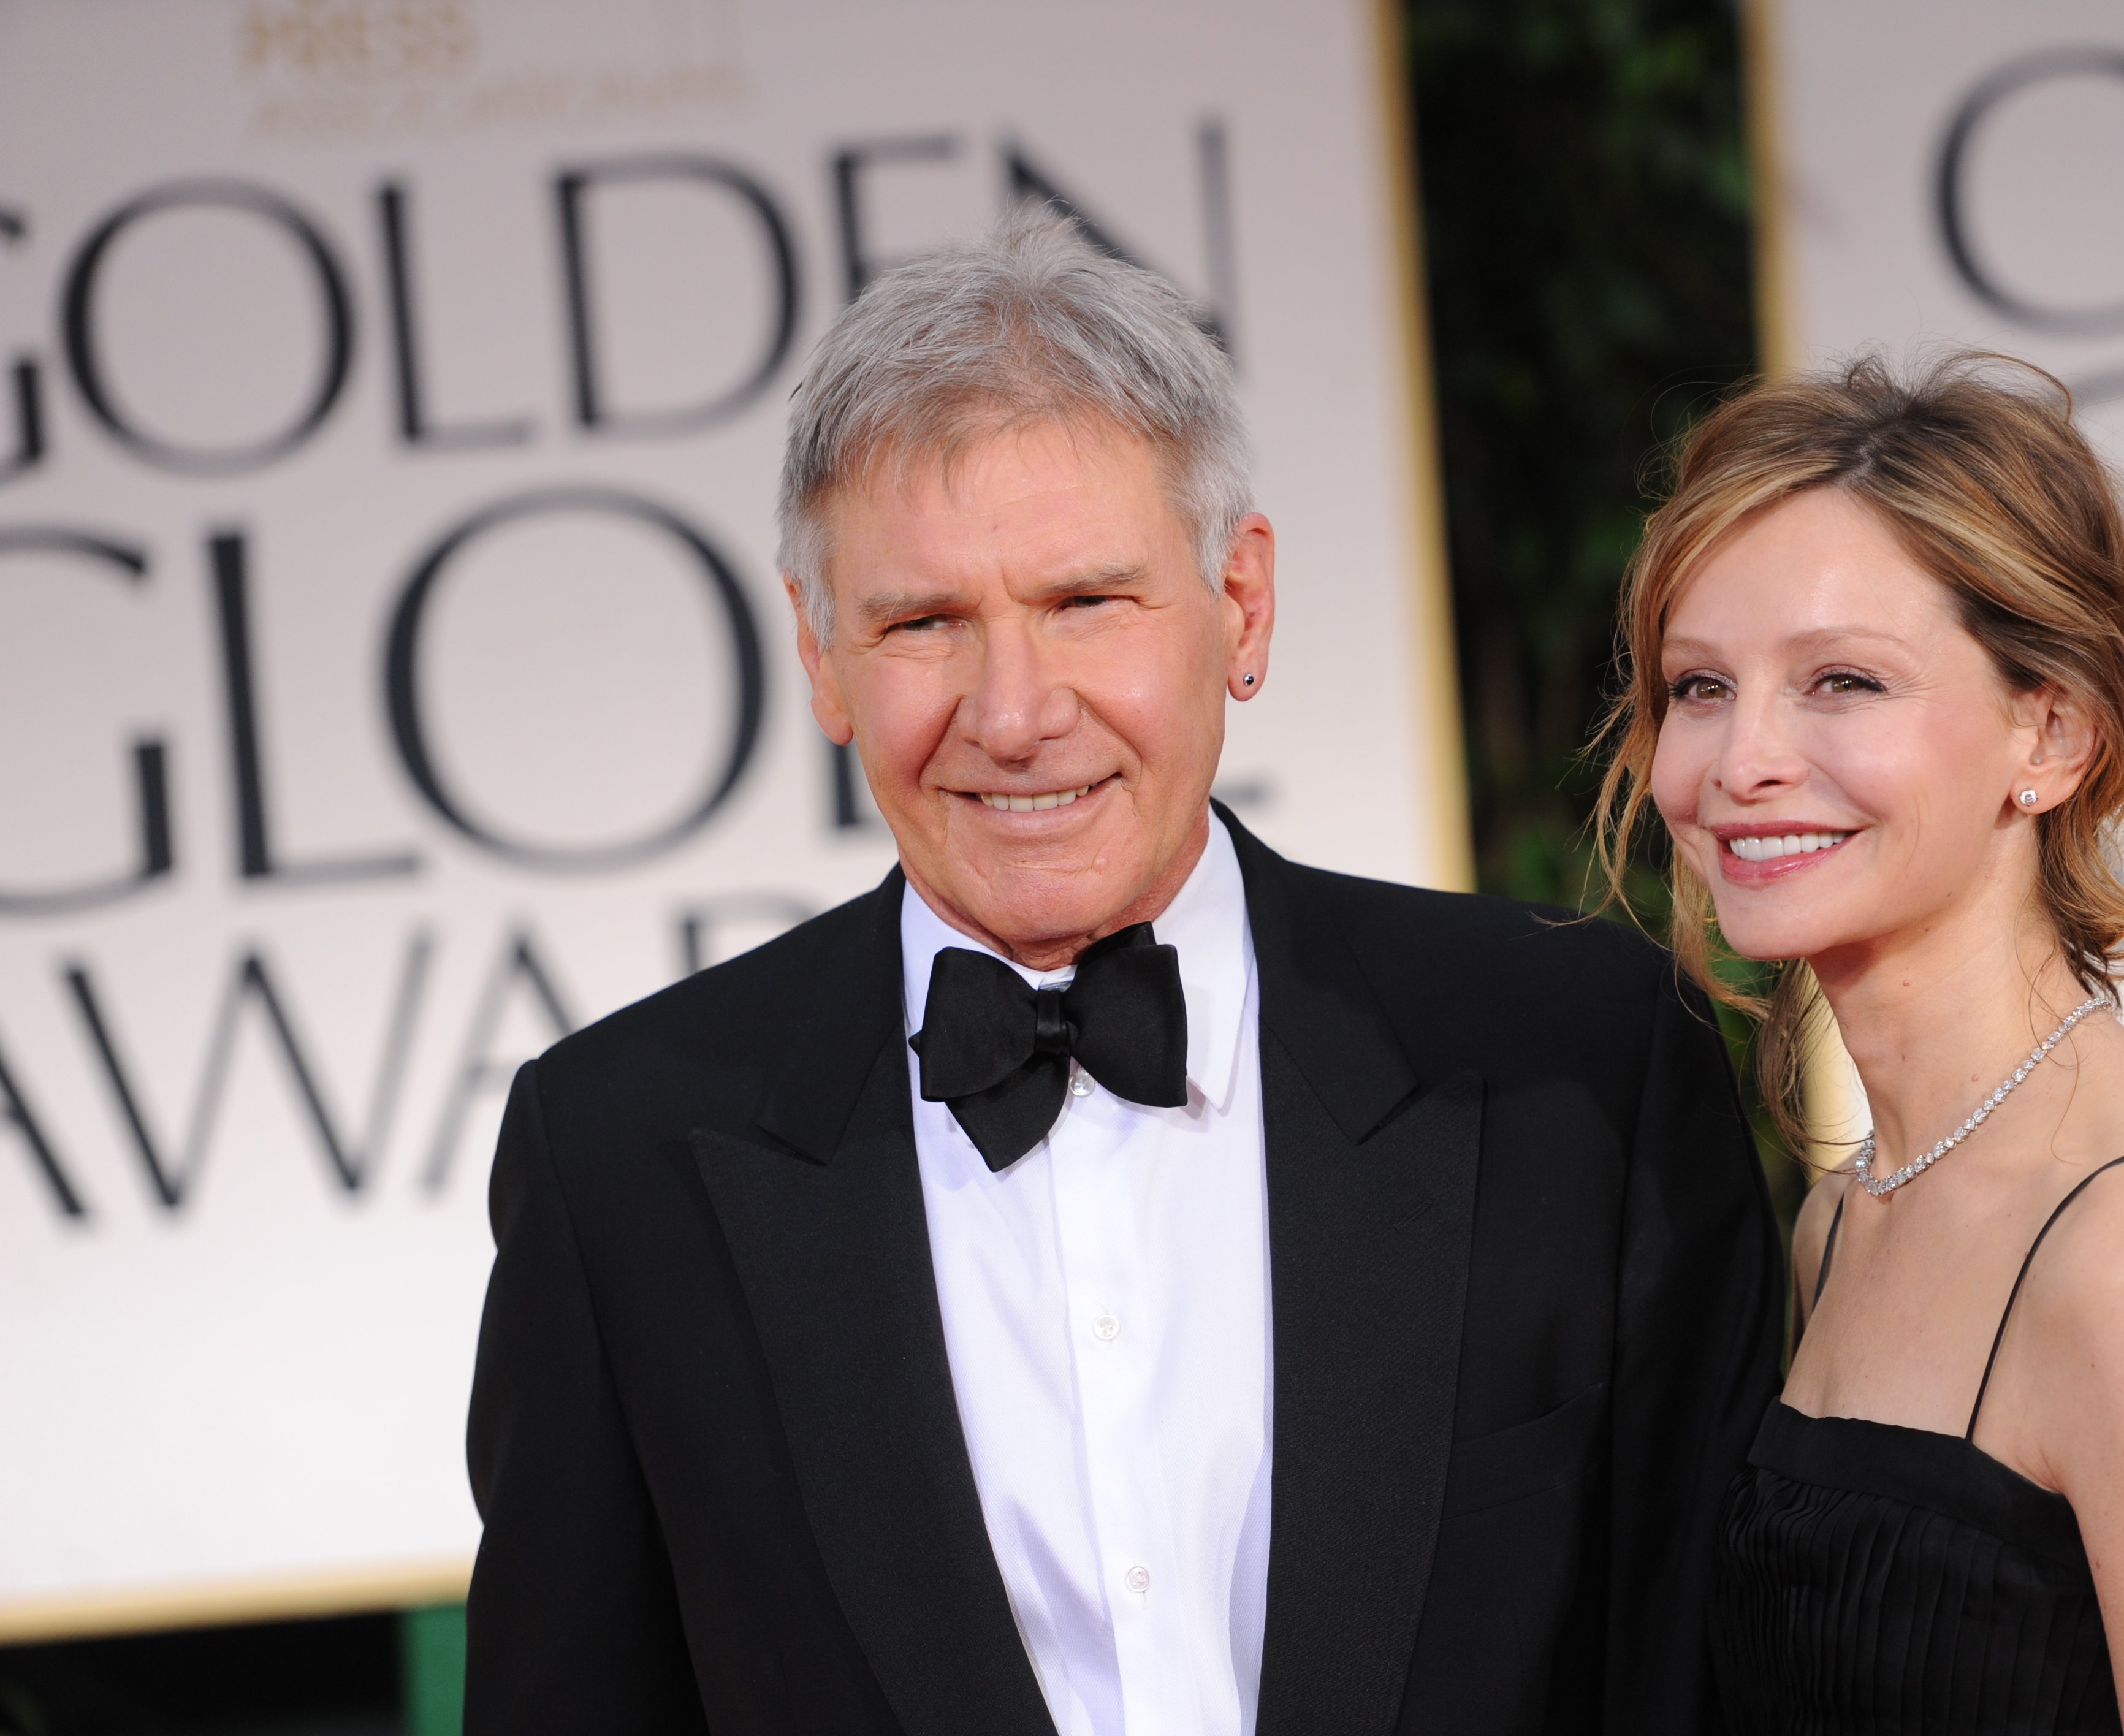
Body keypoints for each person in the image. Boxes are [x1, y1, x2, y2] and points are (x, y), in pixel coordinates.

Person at [462, 207, 1785, 1736]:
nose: (1013, 713)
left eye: (1086, 602)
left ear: (1243, 604)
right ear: (819, 656)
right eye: (921, 623)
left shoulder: (1578, 1059)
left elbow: (1697, 1680)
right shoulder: (618, 1155)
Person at [1594, 355, 2124, 1734]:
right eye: (1699, 687)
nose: (1741, 759)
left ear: (2048, 733)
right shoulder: (1845, 1212)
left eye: (1841, 683)